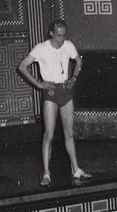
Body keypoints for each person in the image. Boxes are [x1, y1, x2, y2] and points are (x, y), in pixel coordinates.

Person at [17, 20, 92, 187]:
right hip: (50, 92)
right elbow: (22, 67)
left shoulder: (68, 45)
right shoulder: (41, 48)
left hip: (65, 91)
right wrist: (38, 83)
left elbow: (79, 61)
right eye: (58, 35)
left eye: (64, 35)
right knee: (49, 135)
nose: (62, 38)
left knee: (69, 134)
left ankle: (75, 169)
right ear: (51, 33)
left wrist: (74, 77)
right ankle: (46, 173)